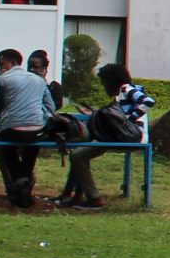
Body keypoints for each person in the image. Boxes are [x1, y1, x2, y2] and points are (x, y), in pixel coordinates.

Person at [56, 64, 156, 211]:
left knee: (78, 156)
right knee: (79, 153)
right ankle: (76, 194)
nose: (104, 87)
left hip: (129, 138)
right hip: (121, 136)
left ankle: (93, 199)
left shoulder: (126, 89)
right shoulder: (121, 95)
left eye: (104, 83)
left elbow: (148, 101)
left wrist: (130, 119)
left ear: (112, 81)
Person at [0, 48, 52, 208]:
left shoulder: (2, 80)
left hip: (11, 130)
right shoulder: (39, 81)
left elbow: (0, 106)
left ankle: (20, 181)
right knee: (31, 151)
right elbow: (51, 105)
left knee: (7, 150)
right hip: (37, 130)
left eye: (1, 64)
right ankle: (25, 181)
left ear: (13, 62)